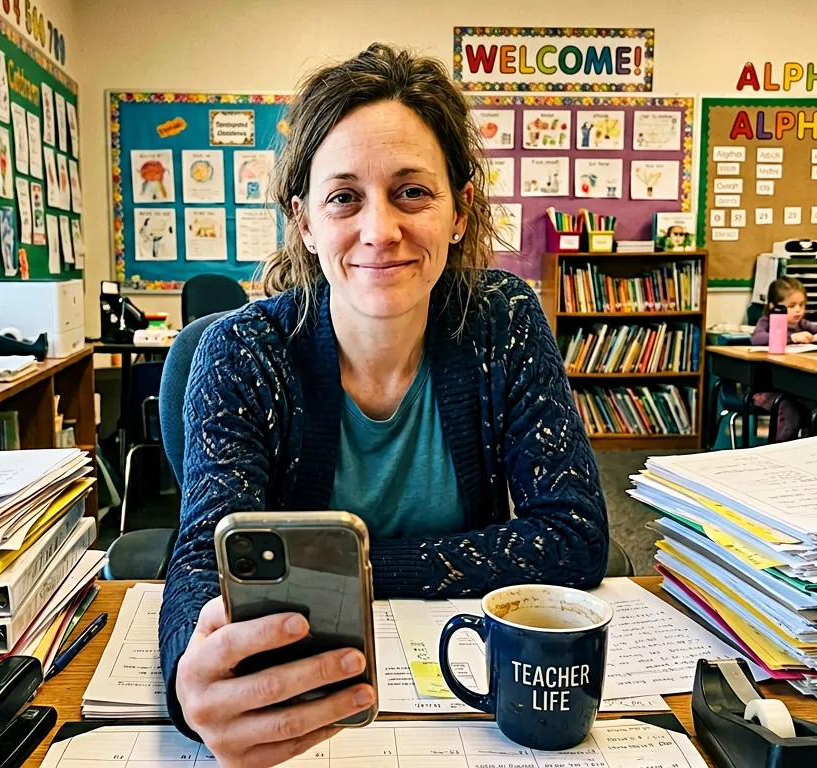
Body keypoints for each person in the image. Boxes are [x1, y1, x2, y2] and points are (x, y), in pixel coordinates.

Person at [158, 43, 609, 768]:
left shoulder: (504, 323)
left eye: (411, 192)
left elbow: (575, 535)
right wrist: (189, 682)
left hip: (465, 702)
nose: (379, 230)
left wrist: (355, 574)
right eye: (344, 197)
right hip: (306, 706)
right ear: (304, 221)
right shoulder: (241, 350)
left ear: (460, 211)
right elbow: (201, 561)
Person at [749, 277, 817, 440]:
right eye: (791, 306)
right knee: (789, 410)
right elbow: (757, 339)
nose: (798, 310)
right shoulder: (767, 322)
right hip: (768, 388)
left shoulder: (803, 324)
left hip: (796, 387)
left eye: (802, 305)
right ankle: (780, 451)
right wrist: (792, 338)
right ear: (773, 306)